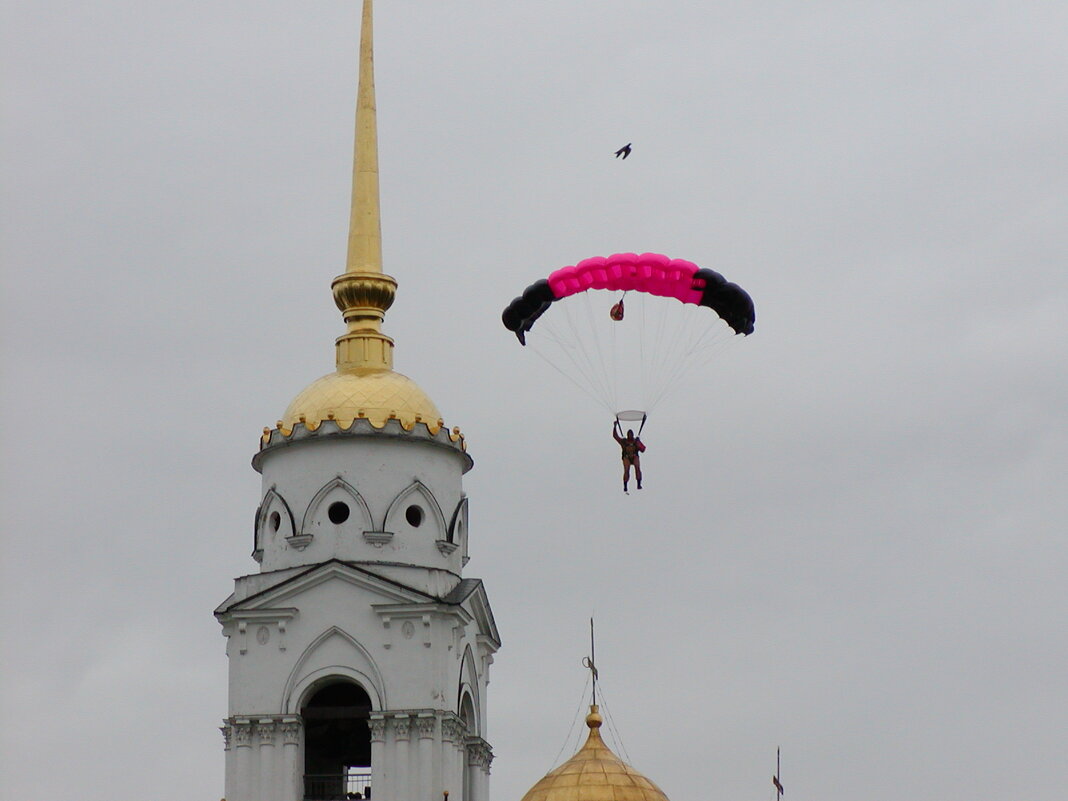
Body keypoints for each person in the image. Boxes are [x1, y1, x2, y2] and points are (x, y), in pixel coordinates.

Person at [612, 421, 645, 493]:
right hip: (626, 458)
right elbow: (615, 436)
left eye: (631, 434)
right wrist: (615, 427)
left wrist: (639, 444)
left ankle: (639, 483)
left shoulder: (636, 441)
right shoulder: (624, 442)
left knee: (637, 467)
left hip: (634, 457)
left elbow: (643, 449)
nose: (630, 435)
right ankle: (625, 485)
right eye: (629, 434)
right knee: (626, 470)